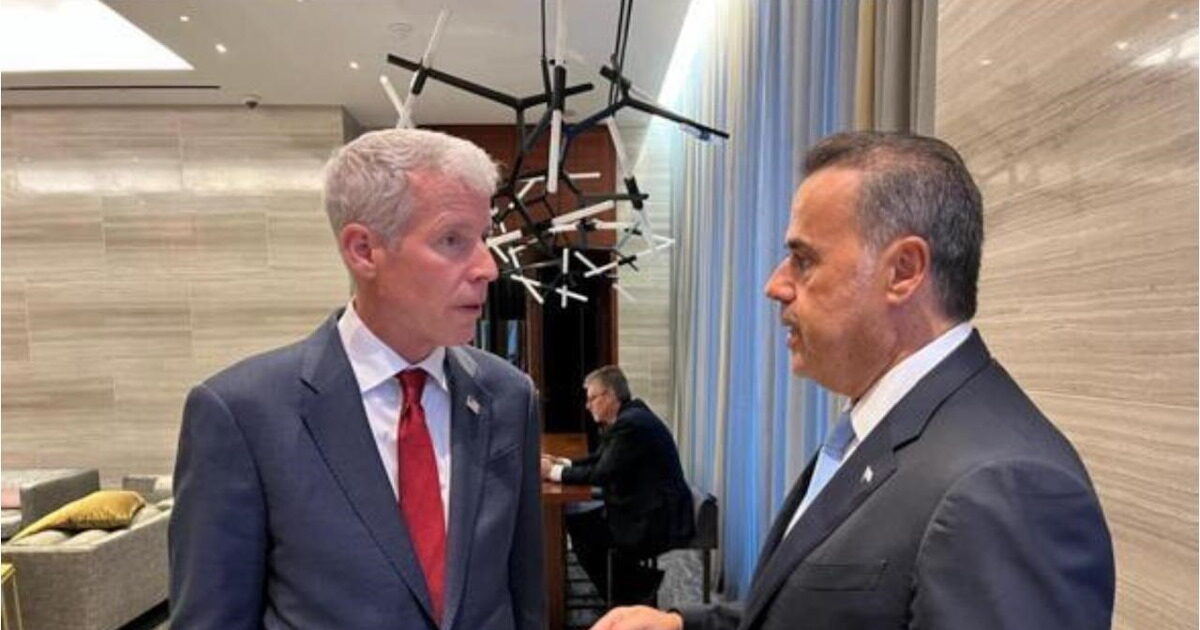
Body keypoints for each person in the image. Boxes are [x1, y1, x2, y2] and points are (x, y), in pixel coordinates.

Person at [591, 131, 1115, 630]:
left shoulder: (1006, 488)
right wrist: (683, 623)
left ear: (903, 271)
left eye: (803, 259)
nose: (775, 285)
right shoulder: (885, 422)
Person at [169, 128, 545, 630]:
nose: (488, 267)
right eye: (453, 240)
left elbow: (523, 596)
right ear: (364, 250)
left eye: (483, 236)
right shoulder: (242, 414)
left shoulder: (508, 396)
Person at [543, 365, 694, 605]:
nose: (587, 405)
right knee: (579, 519)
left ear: (610, 396)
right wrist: (562, 463)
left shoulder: (630, 425)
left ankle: (635, 590)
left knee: (584, 528)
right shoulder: (630, 416)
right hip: (646, 504)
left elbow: (601, 473)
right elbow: (600, 459)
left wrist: (552, 472)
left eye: (592, 398)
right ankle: (627, 589)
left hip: (654, 517)